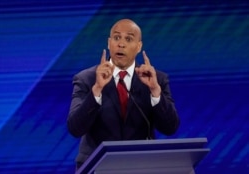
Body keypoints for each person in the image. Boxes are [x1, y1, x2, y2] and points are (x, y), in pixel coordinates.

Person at [67, 18, 180, 170]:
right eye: (116, 37)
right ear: (109, 43)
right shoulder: (86, 79)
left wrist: (155, 92)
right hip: (97, 167)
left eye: (128, 39)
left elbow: (170, 128)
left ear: (139, 46)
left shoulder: (156, 79)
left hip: (142, 167)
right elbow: (75, 128)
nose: (121, 44)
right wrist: (96, 90)